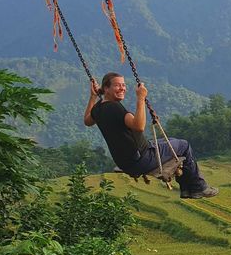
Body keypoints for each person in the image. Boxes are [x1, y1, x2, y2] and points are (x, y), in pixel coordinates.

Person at [84, 72, 218, 199]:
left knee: (172, 141)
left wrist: (92, 97)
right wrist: (140, 98)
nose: (122, 88)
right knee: (184, 145)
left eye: (124, 85)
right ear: (106, 88)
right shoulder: (115, 108)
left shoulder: (99, 108)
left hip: (126, 161)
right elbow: (139, 126)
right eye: (117, 85)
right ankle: (197, 188)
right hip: (142, 159)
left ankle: (188, 189)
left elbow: (87, 121)